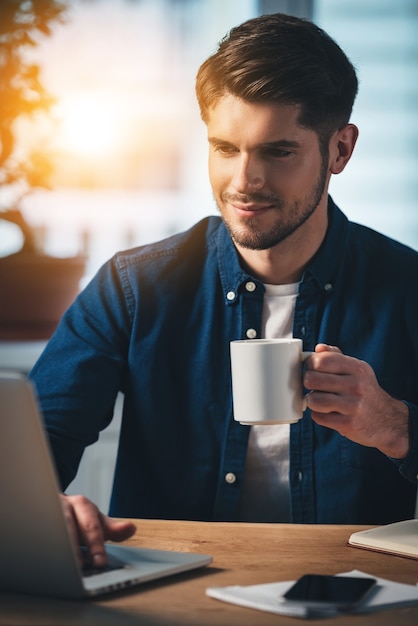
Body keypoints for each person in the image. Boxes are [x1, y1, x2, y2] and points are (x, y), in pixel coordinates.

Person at [30, 12, 418, 569]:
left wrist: (396, 426)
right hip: (167, 594)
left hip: (352, 594)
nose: (243, 182)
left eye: (277, 152)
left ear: (340, 150)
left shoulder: (406, 287)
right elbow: (38, 446)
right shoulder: (133, 287)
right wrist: (49, 509)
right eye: (226, 148)